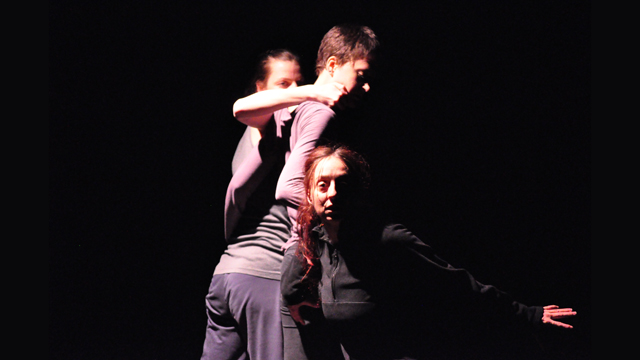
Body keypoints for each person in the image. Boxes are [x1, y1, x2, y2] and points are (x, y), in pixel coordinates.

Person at [281, 144, 578, 360]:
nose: (332, 193)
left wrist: (528, 314)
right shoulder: (317, 244)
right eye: (323, 185)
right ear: (309, 193)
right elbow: (290, 287)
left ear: (357, 192)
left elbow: (460, 283)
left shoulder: (387, 240)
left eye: (343, 184)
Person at [231, 24, 380, 360]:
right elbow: (290, 184)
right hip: (306, 257)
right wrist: (333, 228)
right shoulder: (321, 112)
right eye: (361, 73)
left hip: (289, 258)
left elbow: (242, 112)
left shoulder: (299, 108)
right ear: (331, 65)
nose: (368, 85)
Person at [201, 48, 328, 360]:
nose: (295, 92)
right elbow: (241, 109)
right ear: (261, 89)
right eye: (283, 84)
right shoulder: (267, 129)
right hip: (263, 278)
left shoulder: (274, 135)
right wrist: (315, 92)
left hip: (227, 276)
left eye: (300, 83)